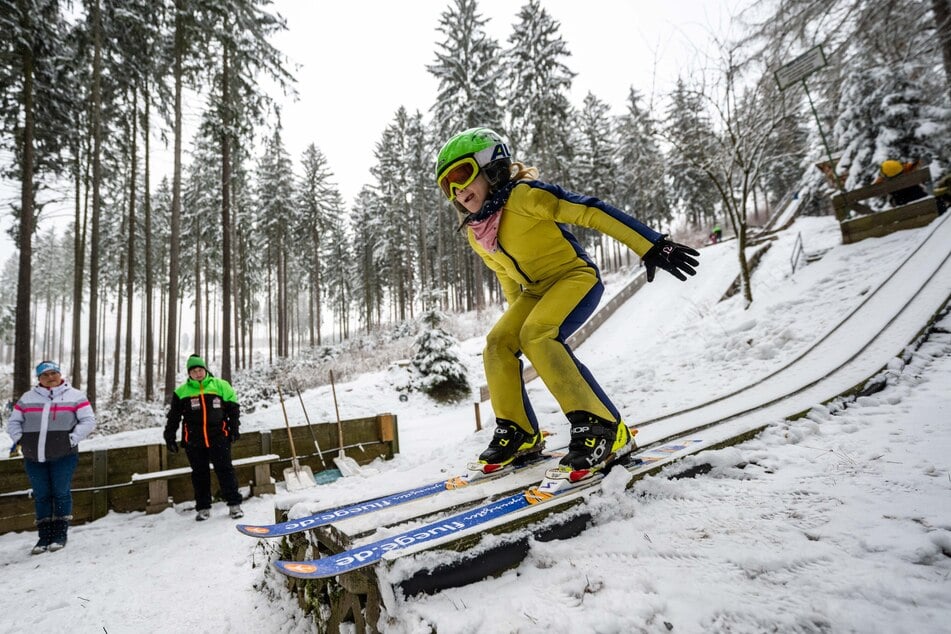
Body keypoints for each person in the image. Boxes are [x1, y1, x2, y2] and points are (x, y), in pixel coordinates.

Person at [434, 127, 699, 476]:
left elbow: (592, 211)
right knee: (498, 343)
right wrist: (515, 318)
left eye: (461, 175)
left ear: (492, 167)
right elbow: (506, 277)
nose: (457, 189)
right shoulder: (477, 232)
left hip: (575, 278)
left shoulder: (526, 196)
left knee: (537, 334)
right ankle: (519, 431)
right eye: (447, 185)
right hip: (535, 291)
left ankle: (603, 428)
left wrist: (651, 244)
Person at [7, 360, 96, 554]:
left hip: (64, 455)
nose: (50, 378)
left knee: (61, 492)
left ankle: (60, 534)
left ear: (60, 374)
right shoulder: (27, 398)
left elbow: (88, 420)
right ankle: (43, 536)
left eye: (53, 373)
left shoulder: (75, 396)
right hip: (34, 457)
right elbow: (13, 422)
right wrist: (21, 440)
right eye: (45, 375)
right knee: (42, 495)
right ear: (39, 378)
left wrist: (71, 439)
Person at [164, 354, 244, 520]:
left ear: (205, 369)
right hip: (194, 441)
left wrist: (234, 429)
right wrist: (169, 436)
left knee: (225, 471)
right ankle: (203, 508)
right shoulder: (181, 392)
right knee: (199, 474)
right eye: (194, 371)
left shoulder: (221, 386)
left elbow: (233, 410)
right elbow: (174, 417)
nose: (198, 373)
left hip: (219, 437)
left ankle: (234, 505)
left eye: (200, 369)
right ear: (189, 373)